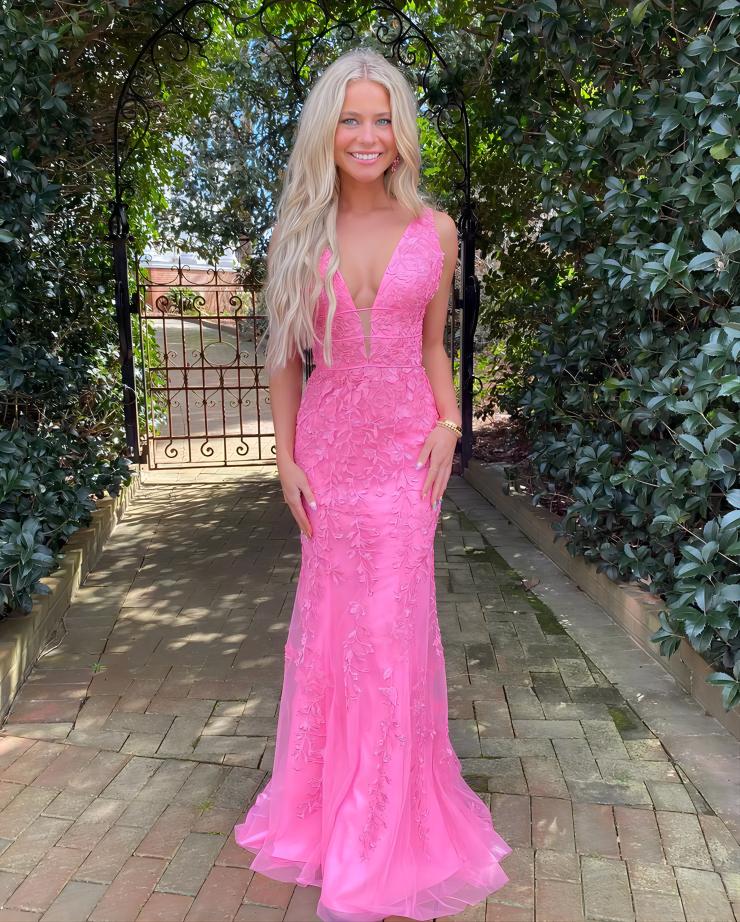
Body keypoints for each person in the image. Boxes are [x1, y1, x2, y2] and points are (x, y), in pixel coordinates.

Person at [233, 46, 511, 922]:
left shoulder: (436, 231)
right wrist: (284, 457)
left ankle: (381, 822)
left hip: (402, 456)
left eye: (382, 119)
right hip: (327, 456)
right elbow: (285, 356)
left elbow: (433, 346)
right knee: (331, 631)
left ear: (401, 132)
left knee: (390, 632)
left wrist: (448, 423)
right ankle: (326, 806)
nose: (366, 135)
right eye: (350, 118)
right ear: (328, 130)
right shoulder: (295, 233)